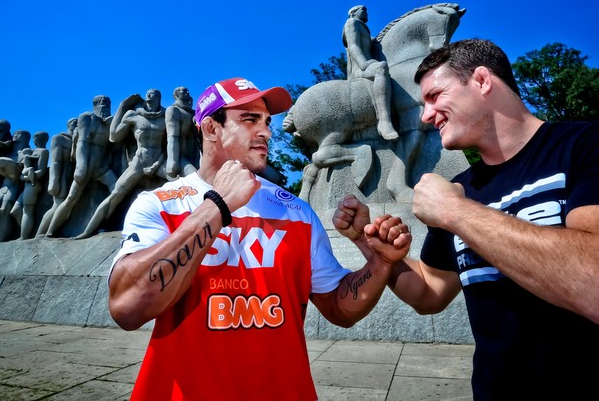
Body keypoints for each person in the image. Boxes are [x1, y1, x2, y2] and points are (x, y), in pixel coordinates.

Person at [108, 77, 412, 400]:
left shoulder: (297, 212)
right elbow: (127, 306)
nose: (266, 131)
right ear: (211, 129)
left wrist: (380, 262)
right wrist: (217, 206)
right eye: (249, 119)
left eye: (266, 122)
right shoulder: (159, 204)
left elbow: (339, 306)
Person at [333, 39, 599, 400]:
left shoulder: (586, 145)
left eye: (435, 95)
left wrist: (456, 213)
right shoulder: (461, 188)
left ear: (482, 81)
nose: (426, 115)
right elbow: (429, 293)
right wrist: (371, 246)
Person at [74, 89, 168, 239]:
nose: (150, 94)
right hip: (139, 161)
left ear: (160, 98)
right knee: (116, 194)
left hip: (159, 160)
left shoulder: (166, 115)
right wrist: (123, 106)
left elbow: (170, 144)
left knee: (183, 182)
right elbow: (114, 136)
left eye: (154, 93)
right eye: (148, 92)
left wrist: (157, 164)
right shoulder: (133, 115)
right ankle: (88, 231)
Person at [44, 95, 118, 237]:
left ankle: (102, 224)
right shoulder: (87, 118)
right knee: (71, 199)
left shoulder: (111, 122)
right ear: (95, 104)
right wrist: (81, 166)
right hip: (86, 166)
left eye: (107, 103)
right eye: (101, 102)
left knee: (117, 192)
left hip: (101, 168)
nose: (104, 105)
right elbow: (82, 144)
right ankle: (50, 231)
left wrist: (111, 123)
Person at [343, 4, 398, 141]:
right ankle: (384, 122)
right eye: (364, 10)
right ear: (353, 13)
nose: (367, 13)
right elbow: (353, 46)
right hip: (359, 70)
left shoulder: (364, 29)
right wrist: (364, 64)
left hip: (367, 65)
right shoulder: (351, 23)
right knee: (380, 69)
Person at [35, 118, 78, 236]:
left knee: (61, 206)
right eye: (73, 122)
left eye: (78, 122)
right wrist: (53, 181)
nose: (76, 123)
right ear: (68, 125)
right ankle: (41, 233)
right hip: (60, 176)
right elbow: (54, 161)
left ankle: (46, 232)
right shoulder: (58, 138)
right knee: (57, 205)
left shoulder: (77, 139)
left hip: (71, 176)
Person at [0, 130, 31, 243]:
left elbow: (22, 170)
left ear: (26, 138)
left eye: (18, 134)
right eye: (15, 133)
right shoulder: (9, 153)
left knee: (4, 209)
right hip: (4, 185)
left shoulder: (26, 152)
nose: (15, 135)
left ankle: (1, 240)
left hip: (15, 185)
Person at [11, 131, 50, 239]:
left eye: (35, 137)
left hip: (34, 185)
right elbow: (23, 173)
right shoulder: (32, 152)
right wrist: (25, 177)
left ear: (42, 139)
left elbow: (41, 172)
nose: (33, 140)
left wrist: (26, 177)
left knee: (27, 211)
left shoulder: (43, 152)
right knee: (15, 210)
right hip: (28, 184)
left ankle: (24, 237)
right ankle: (28, 233)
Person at [165, 86, 199, 180]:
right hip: (180, 157)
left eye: (188, 91)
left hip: (195, 155)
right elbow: (172, 137)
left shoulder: (194, 113)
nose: (187, 93)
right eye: (184, 91)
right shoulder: (173, 110)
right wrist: (172, 162)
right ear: (176, 95)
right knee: (195, 178)